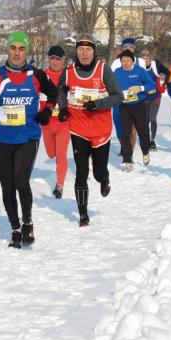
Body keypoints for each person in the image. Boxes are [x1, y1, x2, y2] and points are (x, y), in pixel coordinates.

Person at [0, 31, 58, 247]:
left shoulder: (37, 75)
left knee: (21, 181)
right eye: (13, 48)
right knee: (8, 185)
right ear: (8, 50)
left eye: (21, 48)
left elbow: (54, 93)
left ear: (26, 51)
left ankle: (27, 221)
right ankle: (15, 229)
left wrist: (47, 111)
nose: (17, 53)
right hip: (3, 139)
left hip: (28, 137)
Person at [57, 33, 122, 226]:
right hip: (78, 129)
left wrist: (98, 104)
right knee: (82, 171)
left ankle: (104, 178)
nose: (84, 53)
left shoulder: (104, 70)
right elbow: (61, 90)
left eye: (88, 49)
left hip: (101, 130)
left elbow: (118, 97)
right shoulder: (69, 71)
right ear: (76, 51)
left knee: (97, 172)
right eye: (80, 49)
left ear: (94, 51)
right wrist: (62, 108)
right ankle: (83, 214)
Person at [114, 49, 154, 171]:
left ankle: (145, 151)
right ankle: (127, 159)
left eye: (128, 60)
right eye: (123, 60)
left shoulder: (139, 71)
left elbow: (151, 85)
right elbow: (111, 85)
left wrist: (140, 88)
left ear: (133, 61)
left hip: (138, 105)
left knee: (142, 131)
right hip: (124, 106)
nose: (125, 63)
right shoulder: (117, 72)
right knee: (125, 132)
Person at [42, 45, 70, 198]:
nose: (55, 62)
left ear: (63, 60)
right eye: (52, 58)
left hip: (63, 123)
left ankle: (59, 185)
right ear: (48, 59)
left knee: (61, 154)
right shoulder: (42, 75)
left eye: (58, 59)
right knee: (51, 154)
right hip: (46, 124)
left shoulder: (68, 75)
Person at [138, 48, 169, 151]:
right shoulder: (138, 67)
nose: (145, 61)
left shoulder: (156, 65)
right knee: (145, 120)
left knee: (152, 118)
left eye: (147, 58)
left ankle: (152, 140)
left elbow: (168, 72)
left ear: (150, 59)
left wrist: (164, 84)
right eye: (143, 59)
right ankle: (146, 139)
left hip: (155, 97)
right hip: (144, 97)